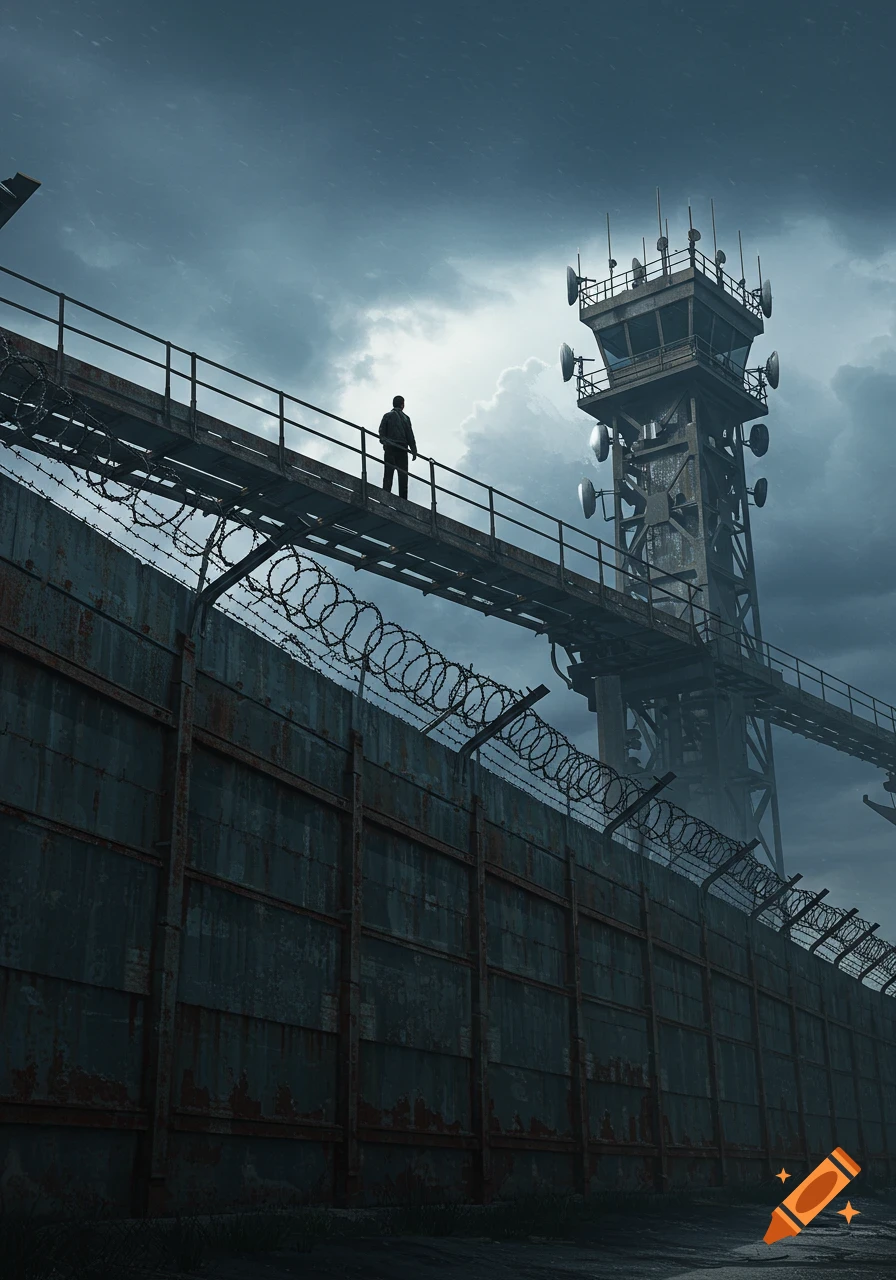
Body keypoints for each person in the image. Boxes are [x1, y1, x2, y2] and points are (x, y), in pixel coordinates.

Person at [378, 395, 417, 499]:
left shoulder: (387, 415)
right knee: (403, 477)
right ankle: (403, 501)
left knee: (388, 475)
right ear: (402, 404)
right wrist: (414, 450)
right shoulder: (406, 418)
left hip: (390, 448)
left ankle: (385, 498)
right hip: (402, 450)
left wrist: (384, 442)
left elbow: (381, 432)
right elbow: (410, 435)